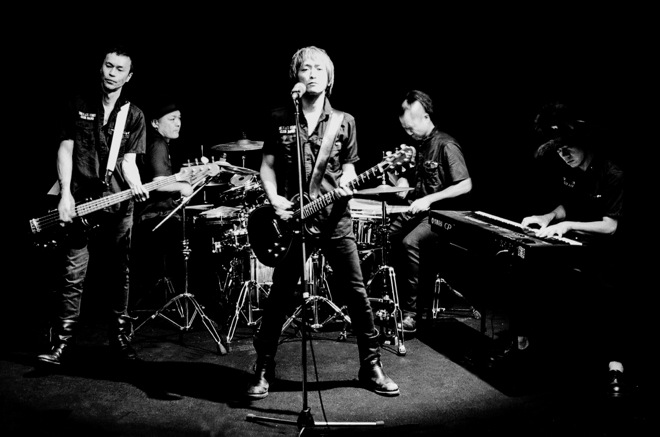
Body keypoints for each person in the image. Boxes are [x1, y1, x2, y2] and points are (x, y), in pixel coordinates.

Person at [245, 46, 399, 399]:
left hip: (334, 219)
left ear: (329, 78)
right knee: (279, 296)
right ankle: (264, 366)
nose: (312, 73)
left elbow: (350, 168)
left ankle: (371, 365)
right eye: (305, 68)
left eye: (319, 69)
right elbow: (266, 166)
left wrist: (349, 182)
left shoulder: (345, 121)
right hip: (293, 222)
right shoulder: (279, 117)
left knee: (356, 293)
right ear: (295, 76)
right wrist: (274, 199)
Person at [36, 44, 149, 367]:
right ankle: (62, 344)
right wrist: (65, 195)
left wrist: (136, 184)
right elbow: (65, 150)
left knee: (119, 274)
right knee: (72, 273)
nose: (112, 73)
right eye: (108, 66)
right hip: (79, 200)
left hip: (117, 203)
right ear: (101, 67)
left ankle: (121, 341)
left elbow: (128, 162)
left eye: (119, 69)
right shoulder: (77, 103)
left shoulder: (134, 115)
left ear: (129, 77)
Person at [516, 101, 626, 397]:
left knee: (606, 293)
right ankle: (530, 348)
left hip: (609, 252)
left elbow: (610, 225)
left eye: (568, 149)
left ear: (584, 144)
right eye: (559, 151)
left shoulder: (612, 173)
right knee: (534, 272)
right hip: (577, 245)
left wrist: (567, 226)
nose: (564, 155)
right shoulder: (573, 171)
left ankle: (615, 365)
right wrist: (548, 217)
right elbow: (568, 205)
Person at [388, 90, 473, 334]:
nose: (408, 132)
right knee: (387, 236)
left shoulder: (446, 144)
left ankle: (411, 313)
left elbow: (465, 184)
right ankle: (390, 301)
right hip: (418, 212)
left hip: (441, 216)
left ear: (425, 117)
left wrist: (429, 199)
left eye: (410, 127)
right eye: (405, 128)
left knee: (410, 242)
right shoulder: (419, 147)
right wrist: (400, 181)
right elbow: (414, 181)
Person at [130, 101, 193, 309]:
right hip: (156, 218)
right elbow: (160, 184)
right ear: (155, 123)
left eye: (180, 118)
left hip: (148, 217)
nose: (178, 123)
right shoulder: (157, 143)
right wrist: (184, 187)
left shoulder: (152, 142)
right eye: (172, 119)